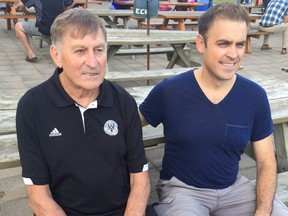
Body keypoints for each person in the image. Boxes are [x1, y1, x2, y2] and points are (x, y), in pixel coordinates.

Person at [138, 3, 288, 216]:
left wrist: (262, 212)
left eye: (239, 44)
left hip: (234, 189)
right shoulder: (170, 91)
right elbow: (129, 123)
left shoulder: (254, 96)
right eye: (224, 43)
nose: (233, 54)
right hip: (183, 190)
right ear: (201, 43)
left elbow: (266, 161)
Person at [16, 8, 150, 215]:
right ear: (56, 56)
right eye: (80, 51)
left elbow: (140, 179)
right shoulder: (32, 106)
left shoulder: (123, 101)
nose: (93, 62)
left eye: (99, 50)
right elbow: (38, 196)